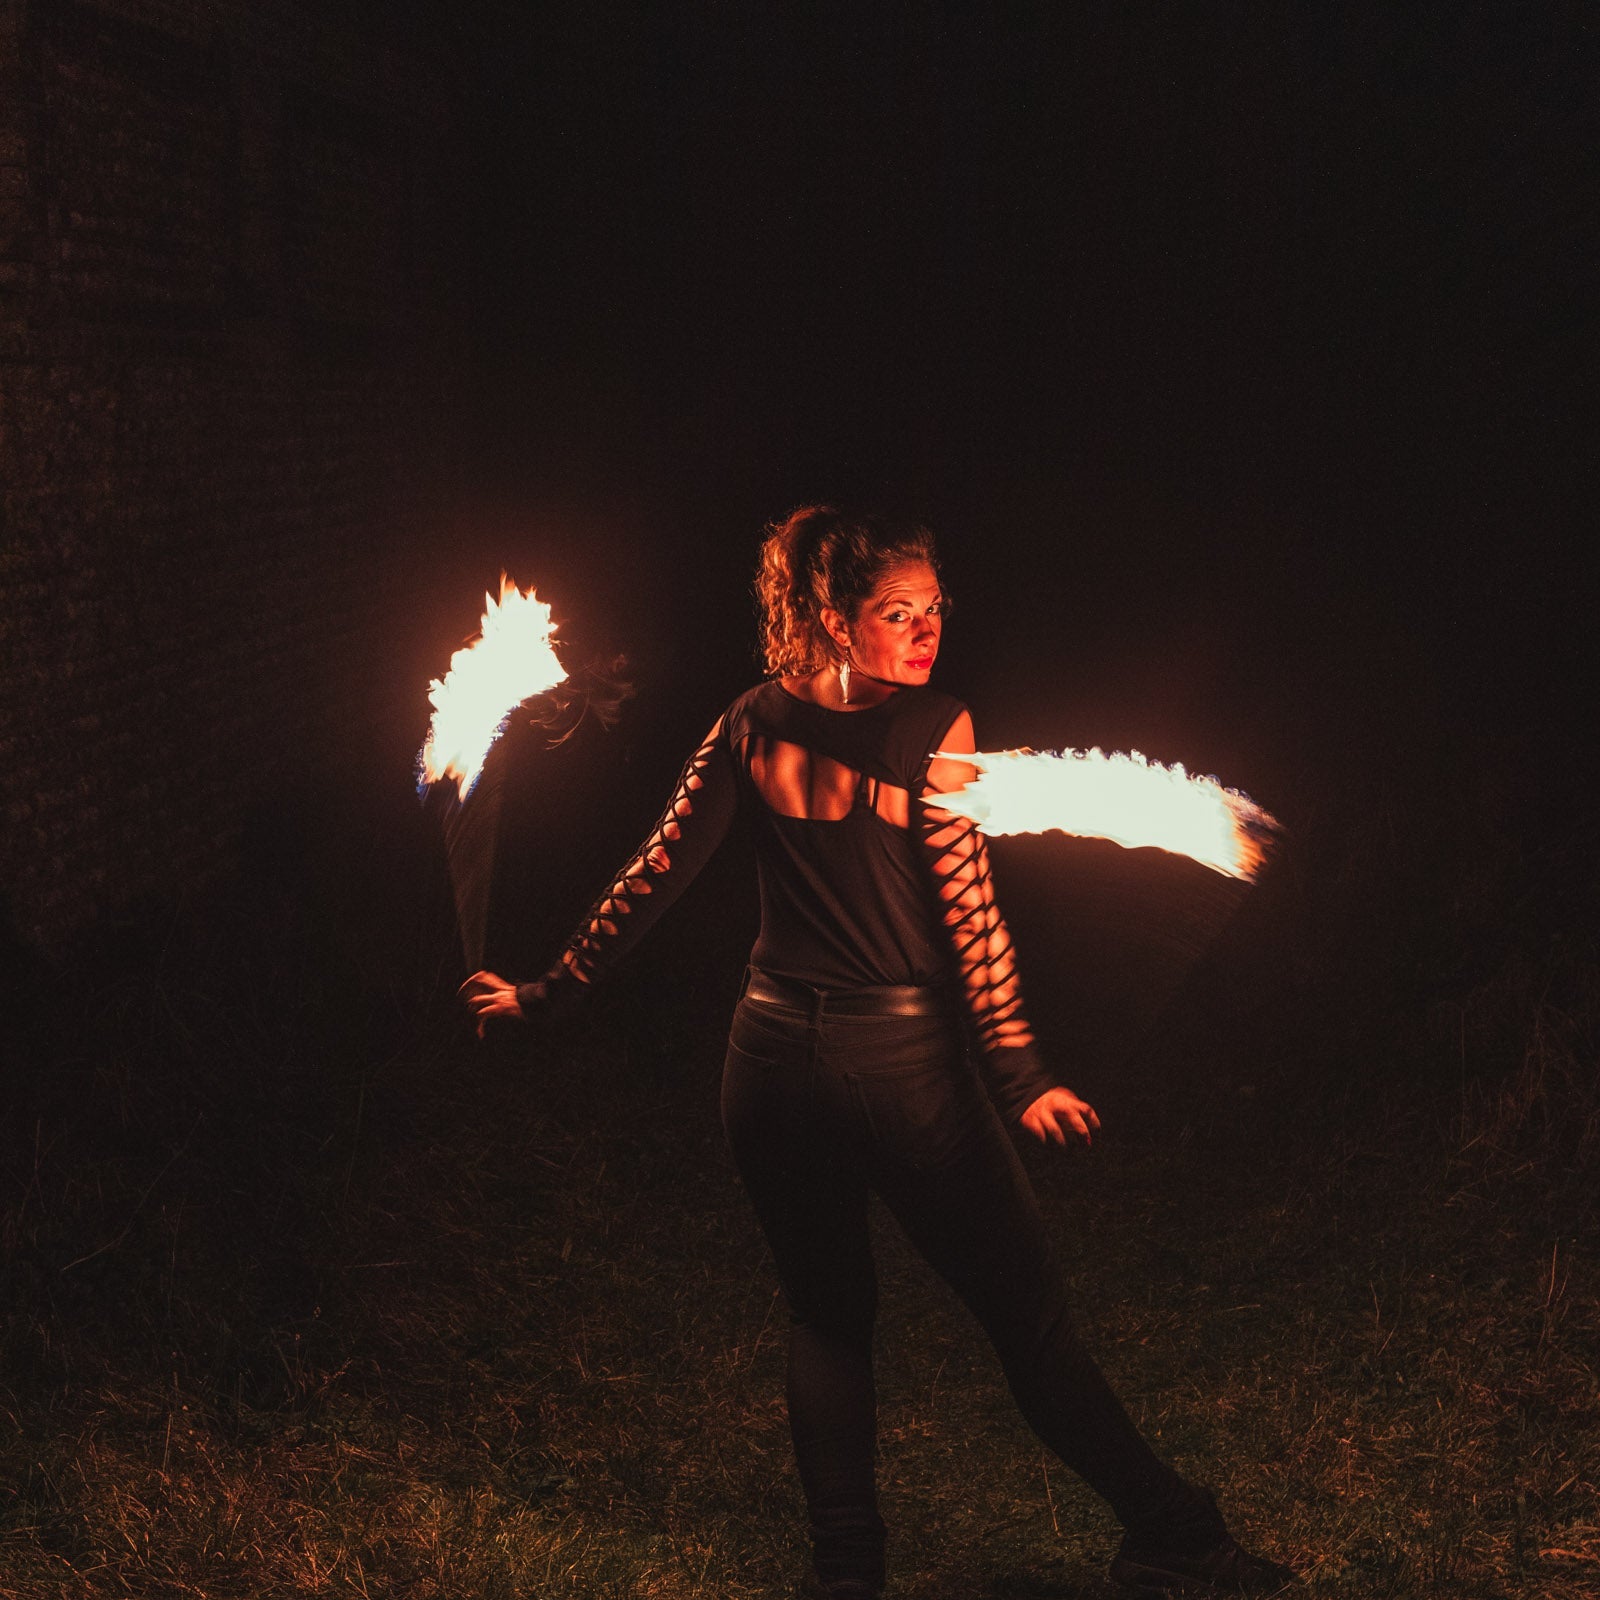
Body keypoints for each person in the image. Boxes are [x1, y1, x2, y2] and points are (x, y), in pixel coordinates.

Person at [462, 507, 1297, 1598]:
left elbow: (651, 873)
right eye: (894, 611)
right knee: (1026, 1320)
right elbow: (971, 920)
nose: (923, 630)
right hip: (896, 1073)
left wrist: (547, 991)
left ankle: (846, 1577)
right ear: (830, 616)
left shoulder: (748, 724)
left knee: (826, 1316)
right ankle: (1171, 1533)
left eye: (933, 608)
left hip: (764, 1066)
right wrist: (1019, 1075)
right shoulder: (930, 730)